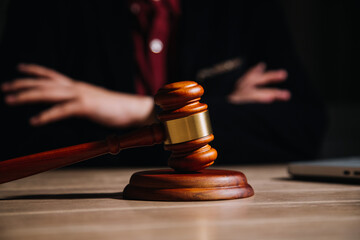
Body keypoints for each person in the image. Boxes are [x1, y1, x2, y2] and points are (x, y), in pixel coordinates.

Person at [0, 0, 327, 166]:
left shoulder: (244, 8)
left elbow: (301, 130)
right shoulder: (47, 9)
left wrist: (141, 111)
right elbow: (19, 142)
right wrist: (224, 111)